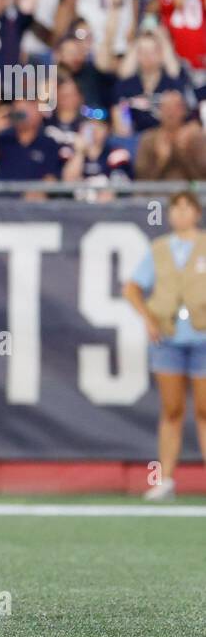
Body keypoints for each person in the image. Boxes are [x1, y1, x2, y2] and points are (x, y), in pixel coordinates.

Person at [123, 190, 206, 501]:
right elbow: (132, 287)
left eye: (188, 207)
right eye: (177, 208)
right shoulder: (159, 248)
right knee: (171, 410)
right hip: (169, 337)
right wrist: (147, 318)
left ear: (197, 213)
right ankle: (164, 478)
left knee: (204, 410)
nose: (182, 214)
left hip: (202, 336)